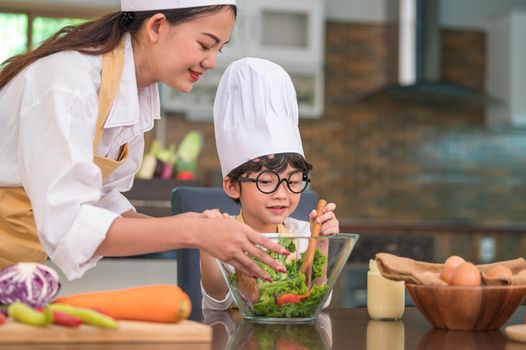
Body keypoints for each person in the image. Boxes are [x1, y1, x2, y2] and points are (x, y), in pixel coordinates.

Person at [0, 0, 290, 281]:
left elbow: (101, 203)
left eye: (219, 50)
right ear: (157, 26)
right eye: (204, 44)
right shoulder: (67, 82)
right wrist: (191, 231)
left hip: (15, 274)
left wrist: (200, 230)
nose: (211, 62)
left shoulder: (133, 97)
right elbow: (68, 223)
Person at [200, 57, 340, 309]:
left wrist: (320, 244)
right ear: (232, 185)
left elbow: (315, 298)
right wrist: (207, 244)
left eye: (294, 181)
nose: (282, 194)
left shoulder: (301, 234)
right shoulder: (224, 234)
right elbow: (218, 299)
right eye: (266, 181)